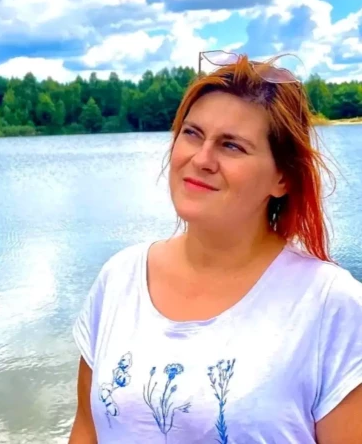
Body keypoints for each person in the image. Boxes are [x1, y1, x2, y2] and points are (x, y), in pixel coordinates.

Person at [69, 51, 362, 444]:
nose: (201, 159)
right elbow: (87, 428)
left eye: (232, 146)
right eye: (192, 133)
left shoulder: (331, 304)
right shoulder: (119, 279)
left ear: (282, 178)